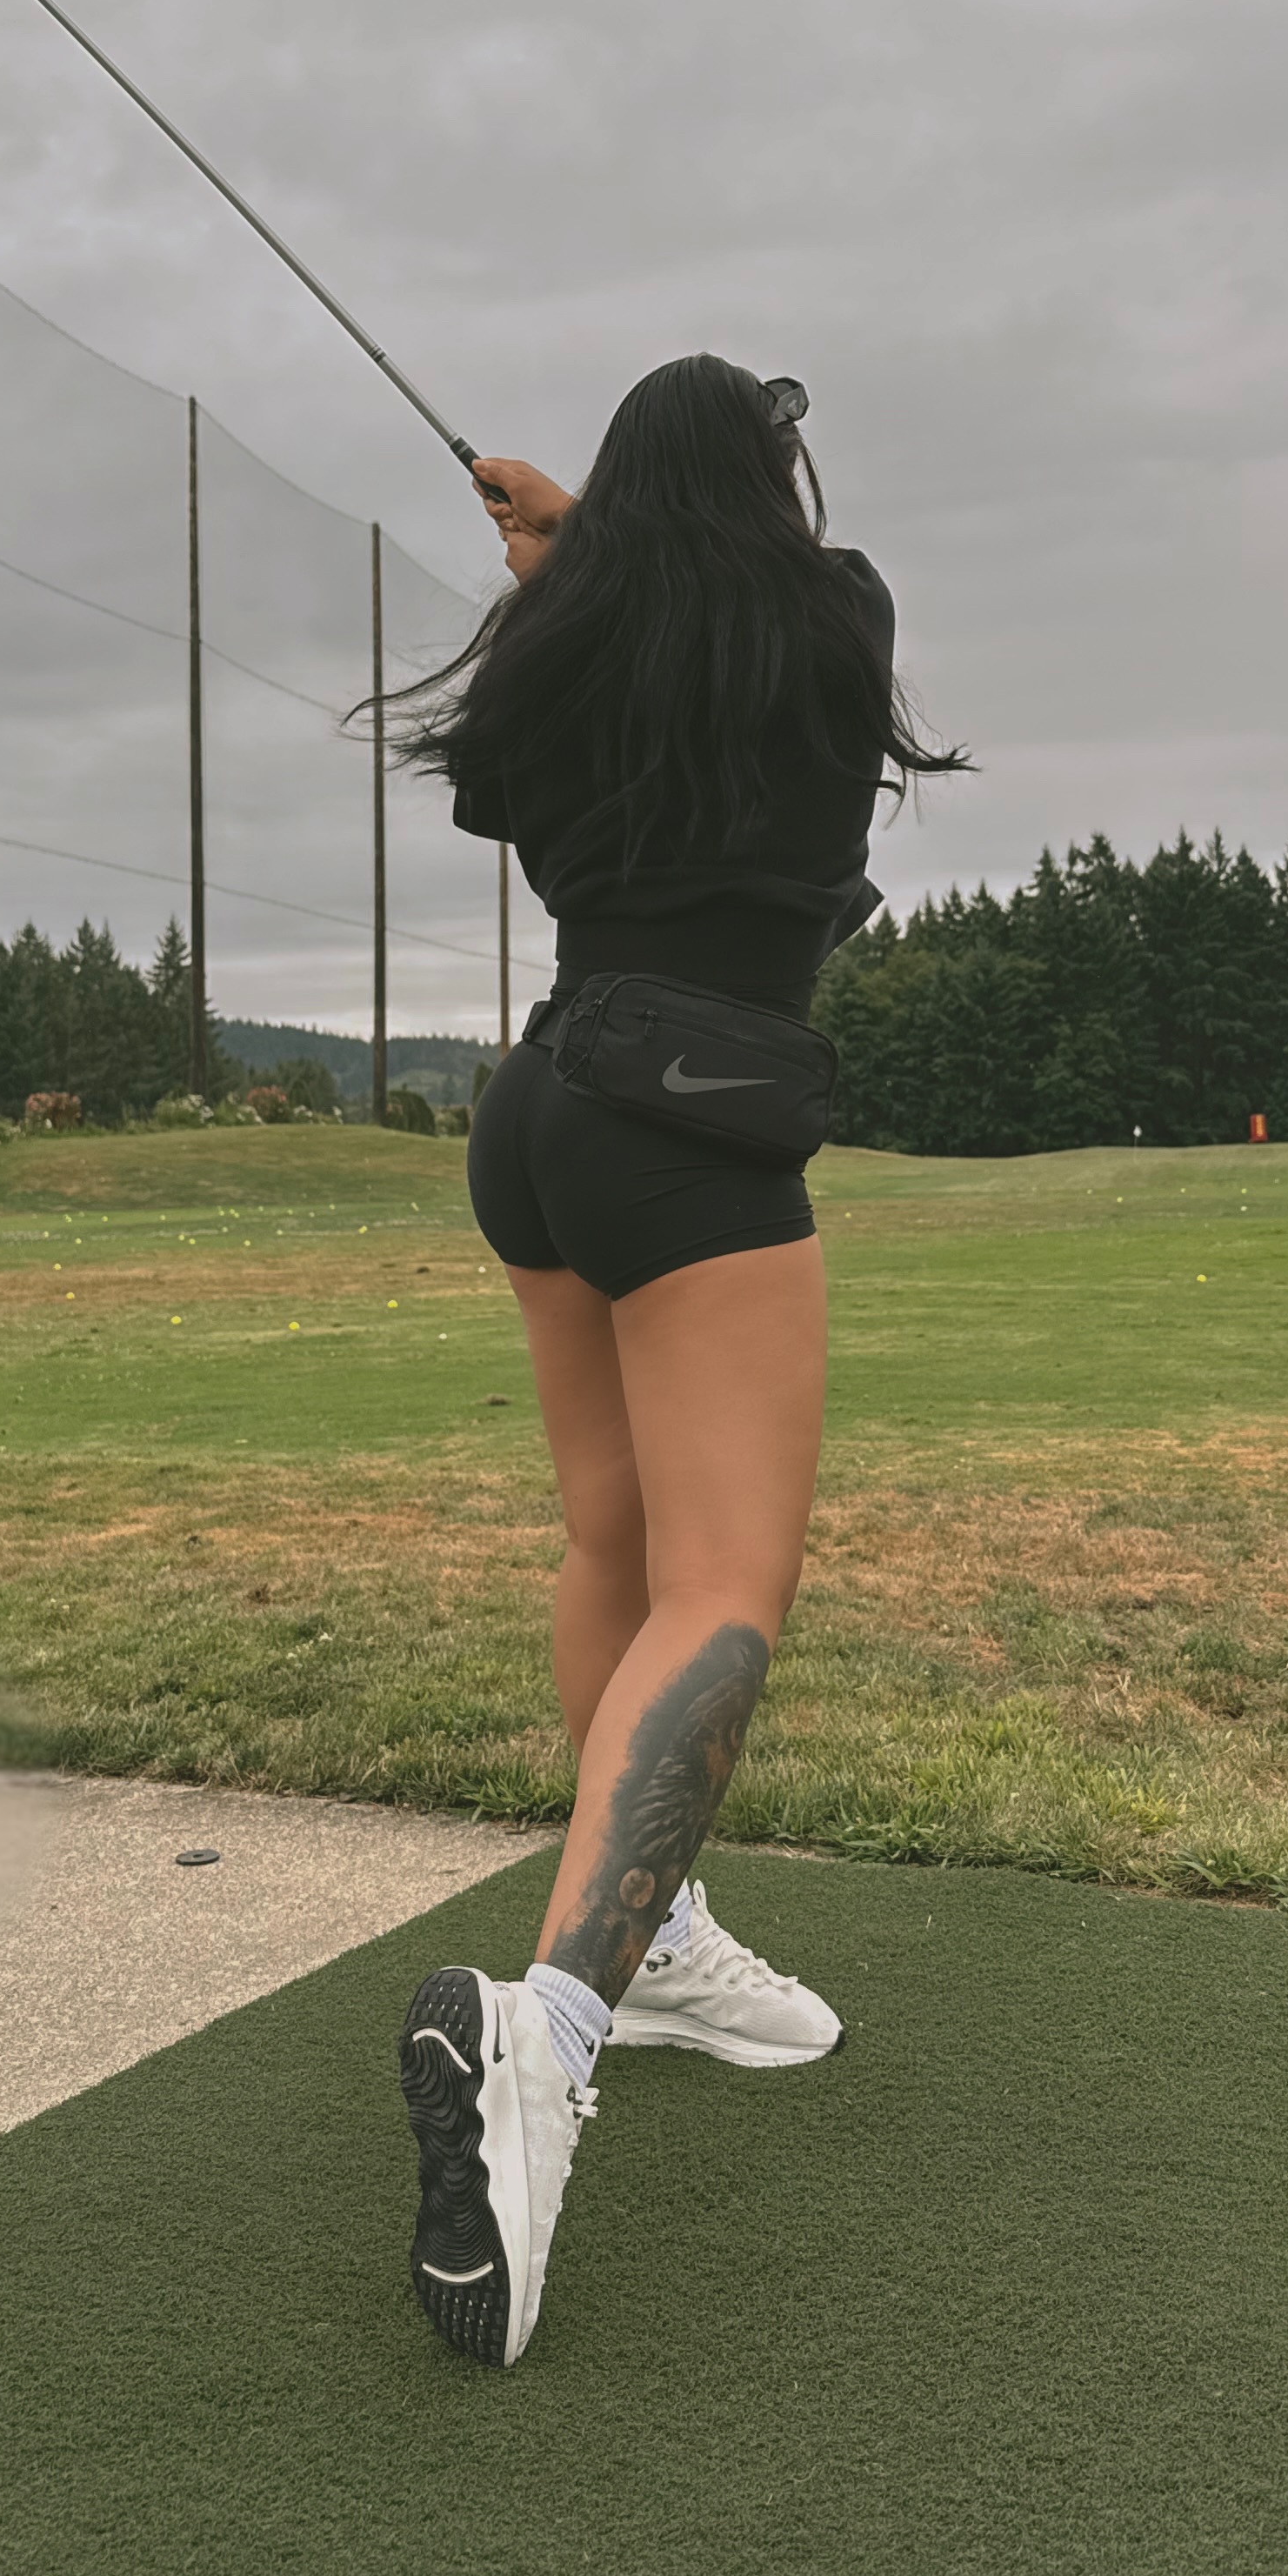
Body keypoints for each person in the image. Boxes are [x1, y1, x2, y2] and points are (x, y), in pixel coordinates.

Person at [387, 353, 964, 2367]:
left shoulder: (562, 653)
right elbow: (769, 610)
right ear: (773, 473)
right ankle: (549, 2036)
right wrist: (586, 549)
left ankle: (658, 1940)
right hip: (688, 1125)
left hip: (542, 1109)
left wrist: (565, 563)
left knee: (617, 1549)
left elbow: (543, 734)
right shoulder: (831, 607)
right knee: (725, 1588)